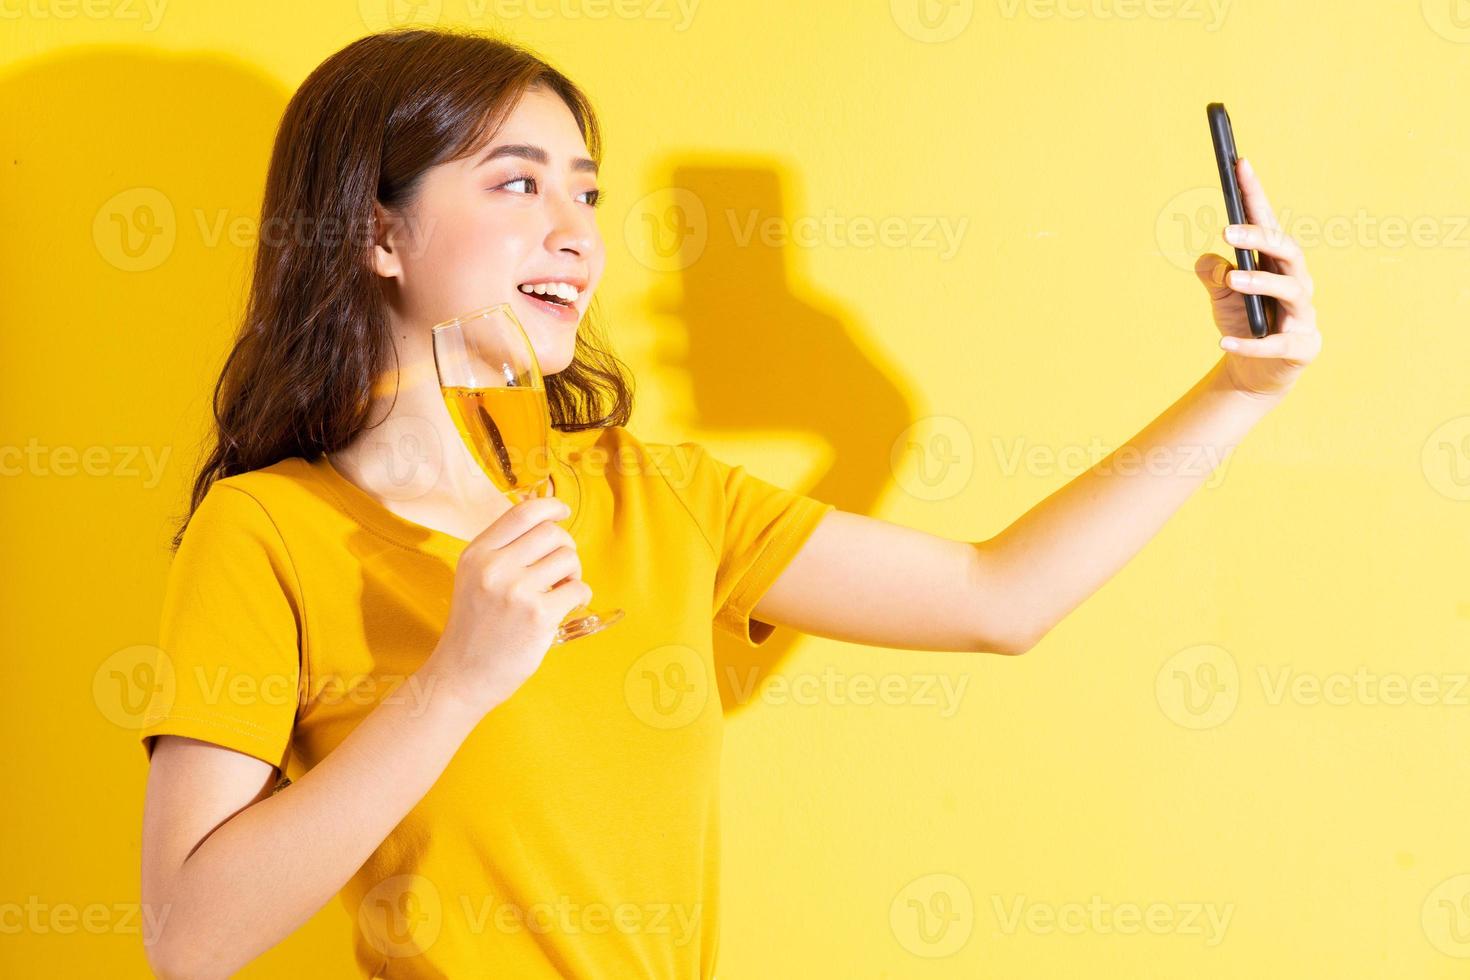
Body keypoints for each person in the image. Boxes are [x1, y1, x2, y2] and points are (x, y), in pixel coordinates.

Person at [137, 27, 1321, 980]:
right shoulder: (269, 530)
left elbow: (998, 597)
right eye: (518, 182)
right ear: (378, 231)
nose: (576, 235)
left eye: (588, 194)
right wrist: (457, 679)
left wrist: (1239, 388)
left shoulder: (658, 495)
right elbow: (190, 936)